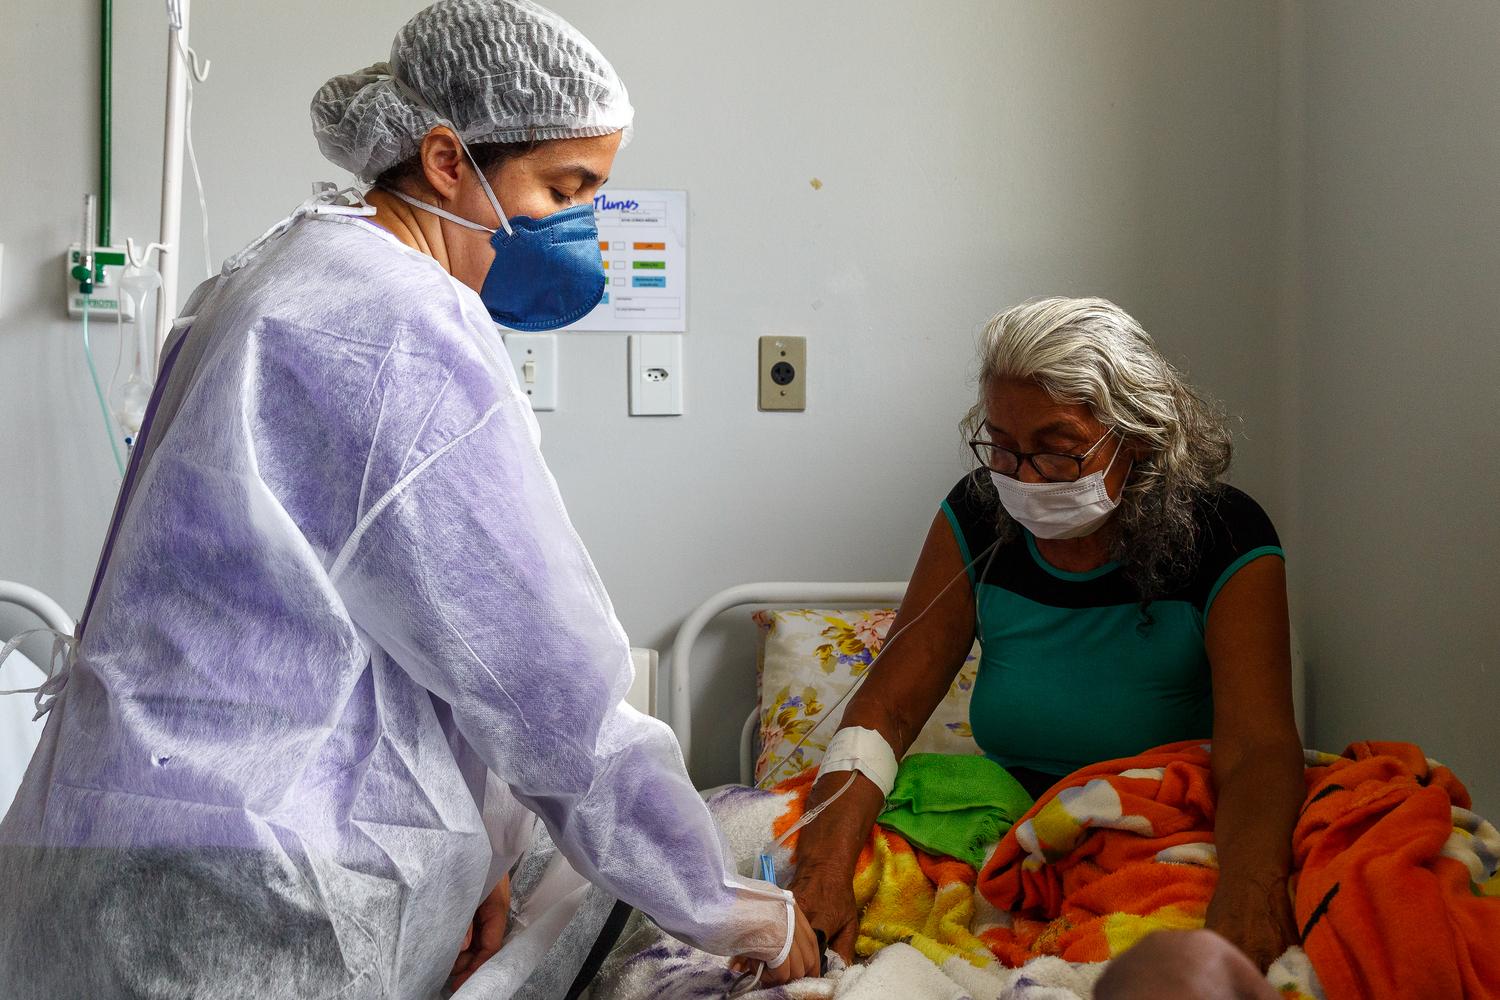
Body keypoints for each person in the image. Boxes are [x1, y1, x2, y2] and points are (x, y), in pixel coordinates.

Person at [0, 1, 817, 996]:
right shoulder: (400, 324)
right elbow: (544, 681)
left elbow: (416, 626)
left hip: (114, 836)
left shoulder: (275, 275)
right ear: (445, 162)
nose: (581, 225)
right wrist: (740, 910)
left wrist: (490, 842)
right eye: (567, 187)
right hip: (252, 890)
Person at [788, 297, 1303, 973]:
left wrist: (1249, 899)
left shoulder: (1226, 537)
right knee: (764, 850)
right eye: (1001, 446)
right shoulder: (977, 515)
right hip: (1001, 826)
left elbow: (1258, 750)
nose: (1022, 478)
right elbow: (886, 711)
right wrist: (821, 871)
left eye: (1057, 452)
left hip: (1159, 829)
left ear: (1138, 437)